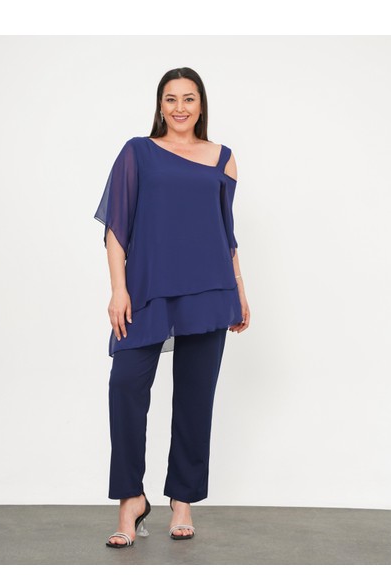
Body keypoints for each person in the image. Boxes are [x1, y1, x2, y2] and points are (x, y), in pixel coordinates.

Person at [94, 67, 250, 549]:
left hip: (210, 287)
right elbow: (116, 226)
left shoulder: (223, 159)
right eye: (170, 98)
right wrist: (118, 289)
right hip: (148, 288)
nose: (180, 107)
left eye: (189, 98)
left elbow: (225, 232)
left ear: (201, 105)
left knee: (195, 398)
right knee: (125, 386)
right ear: (160, 106)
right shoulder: (137, 152)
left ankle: (182, 501)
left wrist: (240, 290)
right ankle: (131, 500)